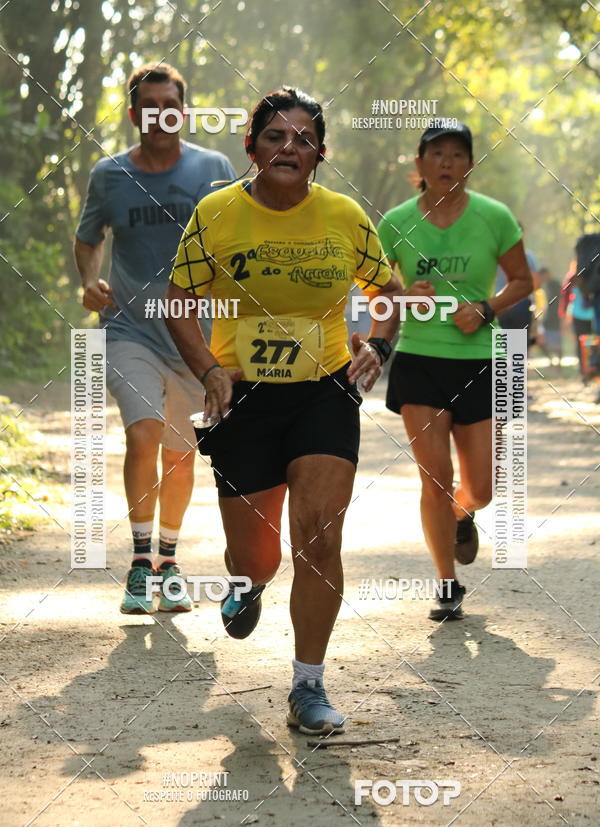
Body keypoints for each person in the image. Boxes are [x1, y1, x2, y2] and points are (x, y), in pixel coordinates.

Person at [165, 86, 402, 735]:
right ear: (252, 148)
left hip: (323, 390)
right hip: (241, 399)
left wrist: (378, 346)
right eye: (276, 135)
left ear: (320, 154)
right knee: (256, 556)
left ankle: (307, 685)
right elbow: (178, 299)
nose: (289, 146)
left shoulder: (344, 216)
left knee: (320, 535)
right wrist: (209, 370)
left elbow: (388, 290)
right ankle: (244, 584)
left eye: (304, 138)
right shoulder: (216, 214)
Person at [74, 63, 236, 614]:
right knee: (142, 431)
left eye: (170, 105)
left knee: (180, 456)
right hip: (129, 330)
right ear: (134, 114)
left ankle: (170, 560)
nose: (160, 115)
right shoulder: (109, 175)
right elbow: (87, 239)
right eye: (149, 106)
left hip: (196, 337)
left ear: (183, 112)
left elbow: (239, 239)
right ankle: (141, 562)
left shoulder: (215, 168)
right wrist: (88, 282)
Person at [378, 123, 533, 621]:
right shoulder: (395, 223)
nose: (447, 162)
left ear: (469, 164)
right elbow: (374, 292)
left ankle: (463, 516)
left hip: (479, 361)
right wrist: (402, 296)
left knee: (482, 487)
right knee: (434, 478)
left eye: (457, 154)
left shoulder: (494, 217)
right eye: (437, 154)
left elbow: (523, 281)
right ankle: (447, 582)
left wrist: (487, 307)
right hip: (420, 360)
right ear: (419, 164)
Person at [538, 267, 563, 367]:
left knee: (557, 342)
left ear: (547, 274)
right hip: (548, 318)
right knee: (543, 341)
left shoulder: (554, 284)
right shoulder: (547, 285)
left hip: (555, 317)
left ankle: (558, 364)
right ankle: (552, 361)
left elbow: (559, 300)